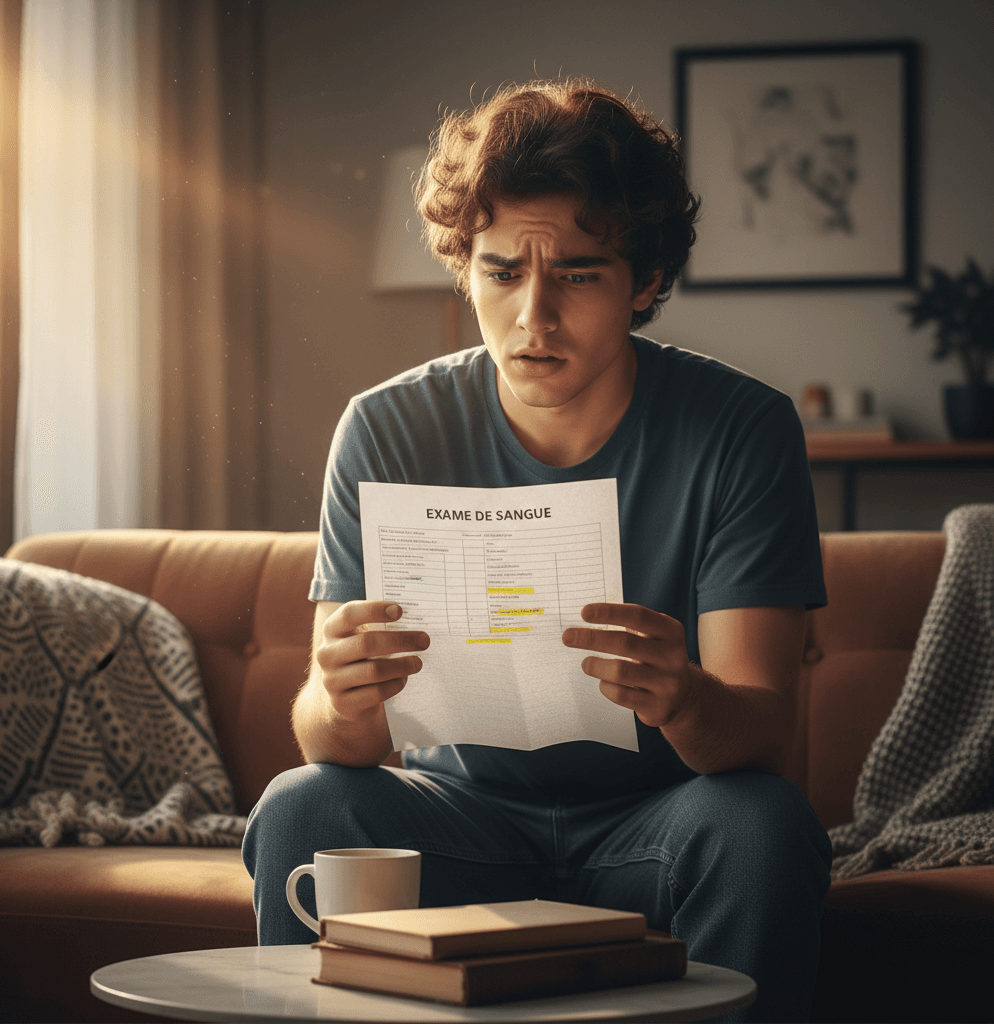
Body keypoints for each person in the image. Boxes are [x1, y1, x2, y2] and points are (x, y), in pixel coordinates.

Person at [243, 78, 832, 1022]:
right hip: (462, 819)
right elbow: (333, 741)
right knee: (303, 803)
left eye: (579, 274)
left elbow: (765, 731)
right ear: (465, 268)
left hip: (662, 820)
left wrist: (686, 697)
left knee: (763, 825)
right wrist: (338, 690)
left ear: (643, 282)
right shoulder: (386, 426)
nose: (534, 317)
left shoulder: (741, 428)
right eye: (502, 272)